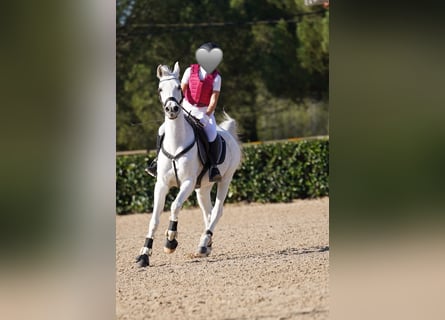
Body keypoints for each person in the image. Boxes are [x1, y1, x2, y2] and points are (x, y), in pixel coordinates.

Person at [145, 42, 223, 182]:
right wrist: (178, 106)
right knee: (162, 129)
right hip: (186, 107)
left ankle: (213, 167)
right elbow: (180, 90)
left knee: (212, 135)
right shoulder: (189, 71)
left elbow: (213, 100)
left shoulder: (216, 77)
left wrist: (207, 115)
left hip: (204, 110)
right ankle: (156, 163)